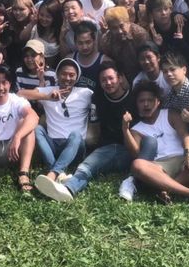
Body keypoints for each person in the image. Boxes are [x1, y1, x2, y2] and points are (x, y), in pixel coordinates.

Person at [29, 61, 156, 202]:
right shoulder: (97, 98)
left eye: (111, 78)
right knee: (89, 165)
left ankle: (69, 187)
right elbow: (94, 127)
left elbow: (140, 139)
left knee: (88, 166)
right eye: (103, 80)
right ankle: (65, 185)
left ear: (120, 78)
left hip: (127, 148)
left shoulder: (133, 100)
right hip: (107, 147)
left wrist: (125, 128)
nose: (108, 83)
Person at [127, 81, 189, 207]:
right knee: (137, 164)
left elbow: (185, 135)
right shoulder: (136, 129)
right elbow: (136, 154)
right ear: (137, 104)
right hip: (160, 167)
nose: (146, 104)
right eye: (141, 101)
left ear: (158, 102)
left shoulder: (170, 114)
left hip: (183, 159)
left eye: (150, 100)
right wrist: (125, 129)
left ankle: (167, 189)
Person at [22, 59, 93, 196]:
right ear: (57, 75)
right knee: (37, 129)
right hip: (53, 145)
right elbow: (20, 94)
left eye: (72, 75)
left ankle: (52, 173)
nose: (67, 78)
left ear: (77, 77)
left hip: (75, 146)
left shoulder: (85, 93)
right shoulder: (50, 91)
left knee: (76, 135)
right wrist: (46, 97)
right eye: (64, 74)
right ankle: (59, 174)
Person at [99, 6, 150, 82]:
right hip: (119, 76)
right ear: (109, 28)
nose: (119, 31)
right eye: (114, 28)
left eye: (121, 26)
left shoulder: (140, 35)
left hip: (142, 72)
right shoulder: (106, 40)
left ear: (128, 22)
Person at [24, 0, 63, 68]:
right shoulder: (34, 27)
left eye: (48, 16)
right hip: (28, 65)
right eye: (41, 15)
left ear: (55, 17)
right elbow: (22, 37)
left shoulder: (60, 32)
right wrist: (32, 23)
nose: (44, 19)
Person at [72, 21, 108, 92]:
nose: (84, 47)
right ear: (75, 43)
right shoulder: (70, 60)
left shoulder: (104, 61)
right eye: (80, 43)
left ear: (94, 41)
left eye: (88, 42)